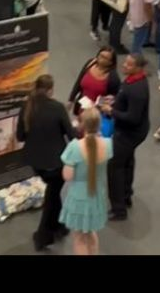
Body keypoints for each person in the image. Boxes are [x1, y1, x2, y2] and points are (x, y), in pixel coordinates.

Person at [16, 74, 74, 250]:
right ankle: (42, 237)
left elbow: (20, 136)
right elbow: (71, 135)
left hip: (35, 163)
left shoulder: (26, 106)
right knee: (52, 196)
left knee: (53, 193)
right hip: (56, 163)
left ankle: (60, 226)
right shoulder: (58, 108)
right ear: (51, 90)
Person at [99, 51, 150, 220]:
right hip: (131, 132)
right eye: (125, 62)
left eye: (129, 64)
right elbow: (125, 99)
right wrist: (115, 101)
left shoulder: (137, 90)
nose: (124, 66)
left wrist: (111, 111)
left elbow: (133, 117)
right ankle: (126, 195)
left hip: (129, 133)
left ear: (138, 68)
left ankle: (118, 209)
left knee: (114, 167)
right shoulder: (132, 81)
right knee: (127, 162)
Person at [59, 109, 110, 254]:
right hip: (97, 195)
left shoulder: (74, 147)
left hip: (79, 198)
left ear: (82, 125)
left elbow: (67, 176)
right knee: (91, 232)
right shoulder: (107, 144)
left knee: (79, 238)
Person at [69, 47, 121, 131]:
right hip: (82, 107)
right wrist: (71, 99)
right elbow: (79, 82)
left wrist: (98, 105)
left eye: (105, 58)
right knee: (79, 130)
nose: (101, 59)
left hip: (96, 114)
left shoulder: (113, 78)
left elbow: (113, 98)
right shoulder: (90, 63)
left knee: (89, 134)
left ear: (111, 62)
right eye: (100, 55)